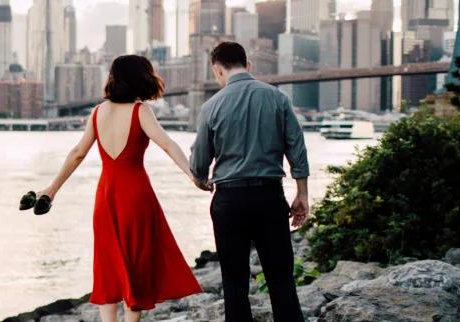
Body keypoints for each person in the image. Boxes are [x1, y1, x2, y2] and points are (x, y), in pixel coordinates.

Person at [36, 55, 202, 322]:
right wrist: (193, 176)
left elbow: (78, 153)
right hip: (136, 196)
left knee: (108, 266)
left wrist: (52, 189)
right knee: (135, 266)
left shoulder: (98, 112)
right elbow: (169, 145)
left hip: (106, 197)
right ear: (142, 78)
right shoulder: (140, 111)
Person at [190, 42, 310, 322]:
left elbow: (199, 163)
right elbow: (297, 148)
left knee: (234, 283)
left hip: (229, 201)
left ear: (217, 70)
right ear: (249, 65)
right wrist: (302, 193)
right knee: (281, 278)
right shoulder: (277, 98)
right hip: (269, 198)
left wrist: (201, 180)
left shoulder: (210, 107)